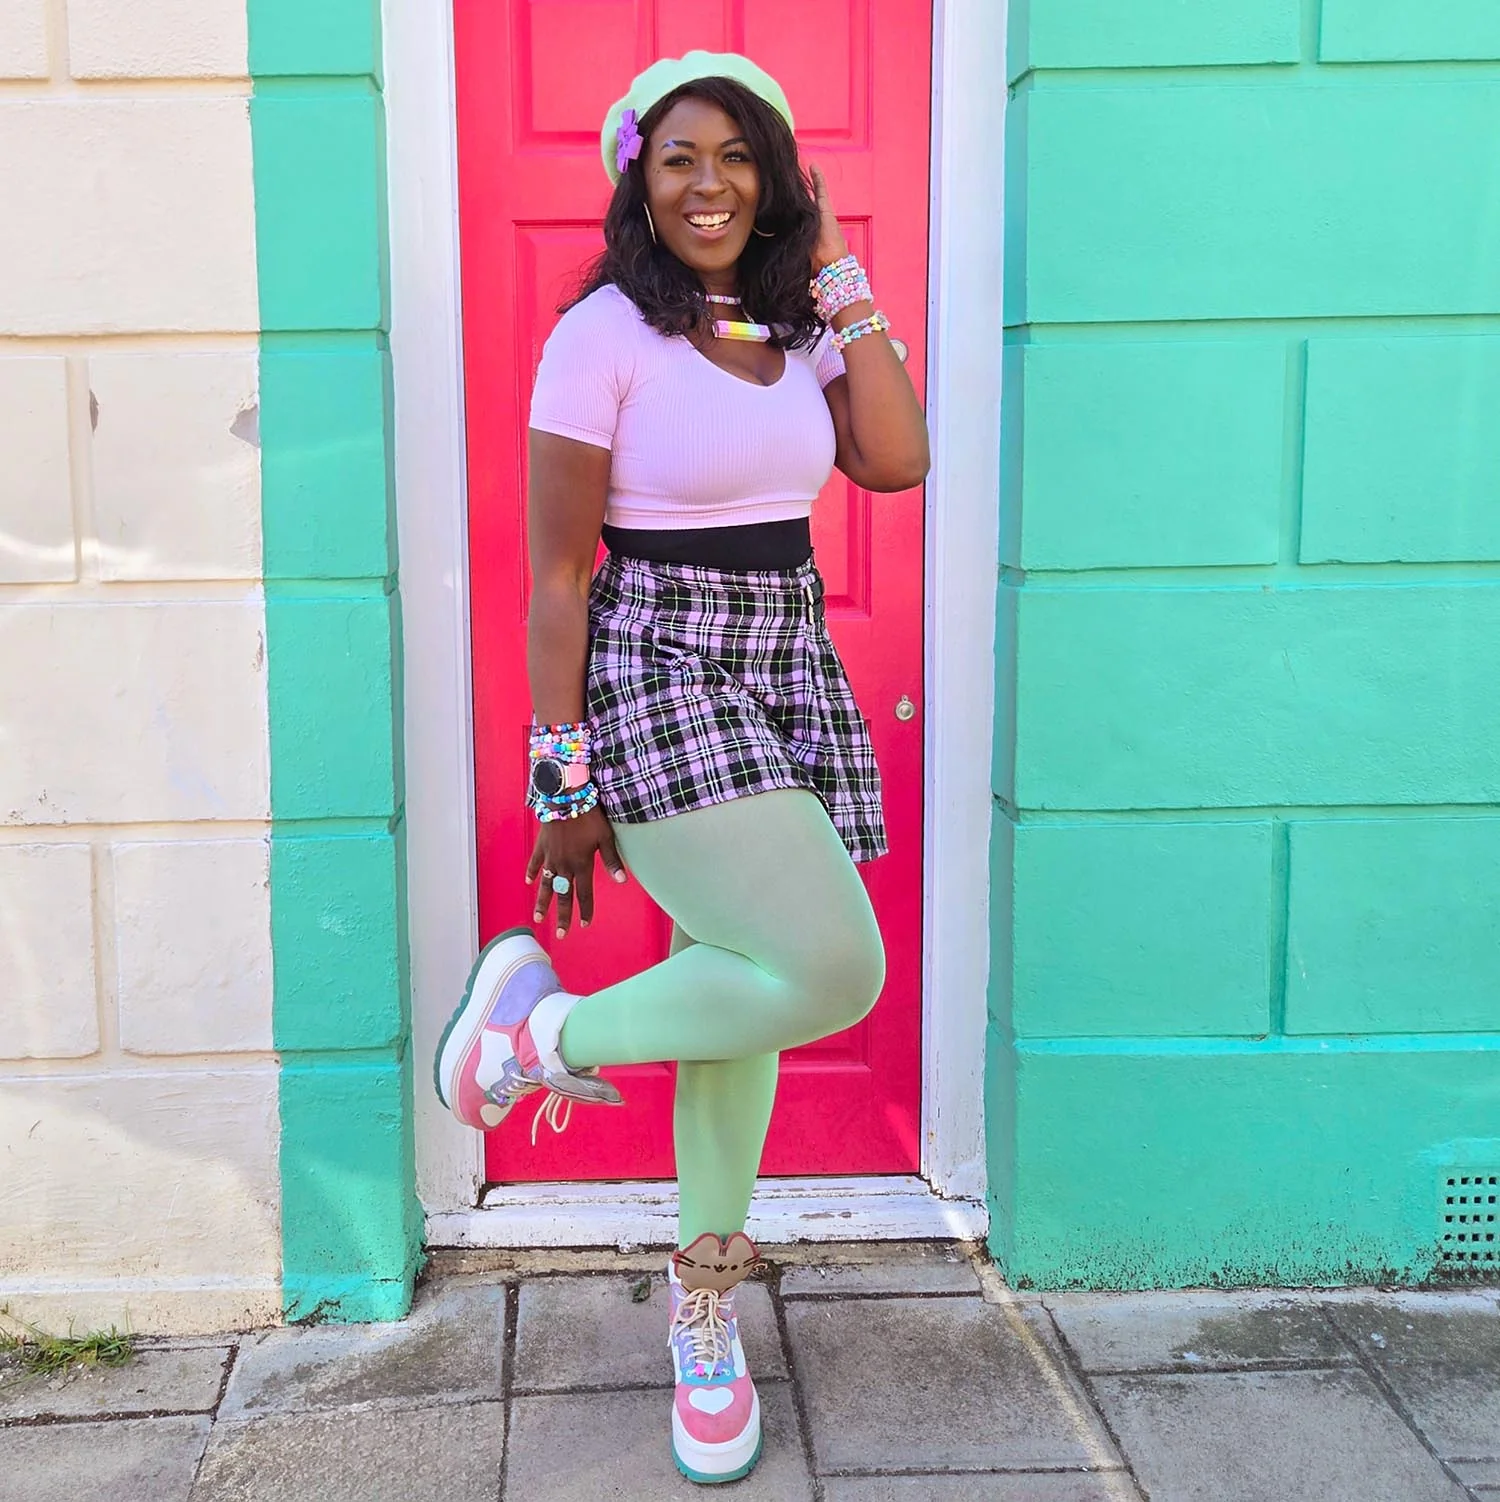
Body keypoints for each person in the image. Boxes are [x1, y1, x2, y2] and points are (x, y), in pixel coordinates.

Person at [435, 50, 929, 1485]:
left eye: (737, 157)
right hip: (654, 659)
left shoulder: (793, 322)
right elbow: (555, 575)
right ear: (636, 184)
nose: (709, 184)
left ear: (775, 176)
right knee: (832, 966)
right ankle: (536, 1039)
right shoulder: (600, 334)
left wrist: (836, 269)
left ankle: (703, 1308)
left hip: (783, 650)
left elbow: (896, 457)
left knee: (745, 993)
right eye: (678, 159)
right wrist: (562, 781)